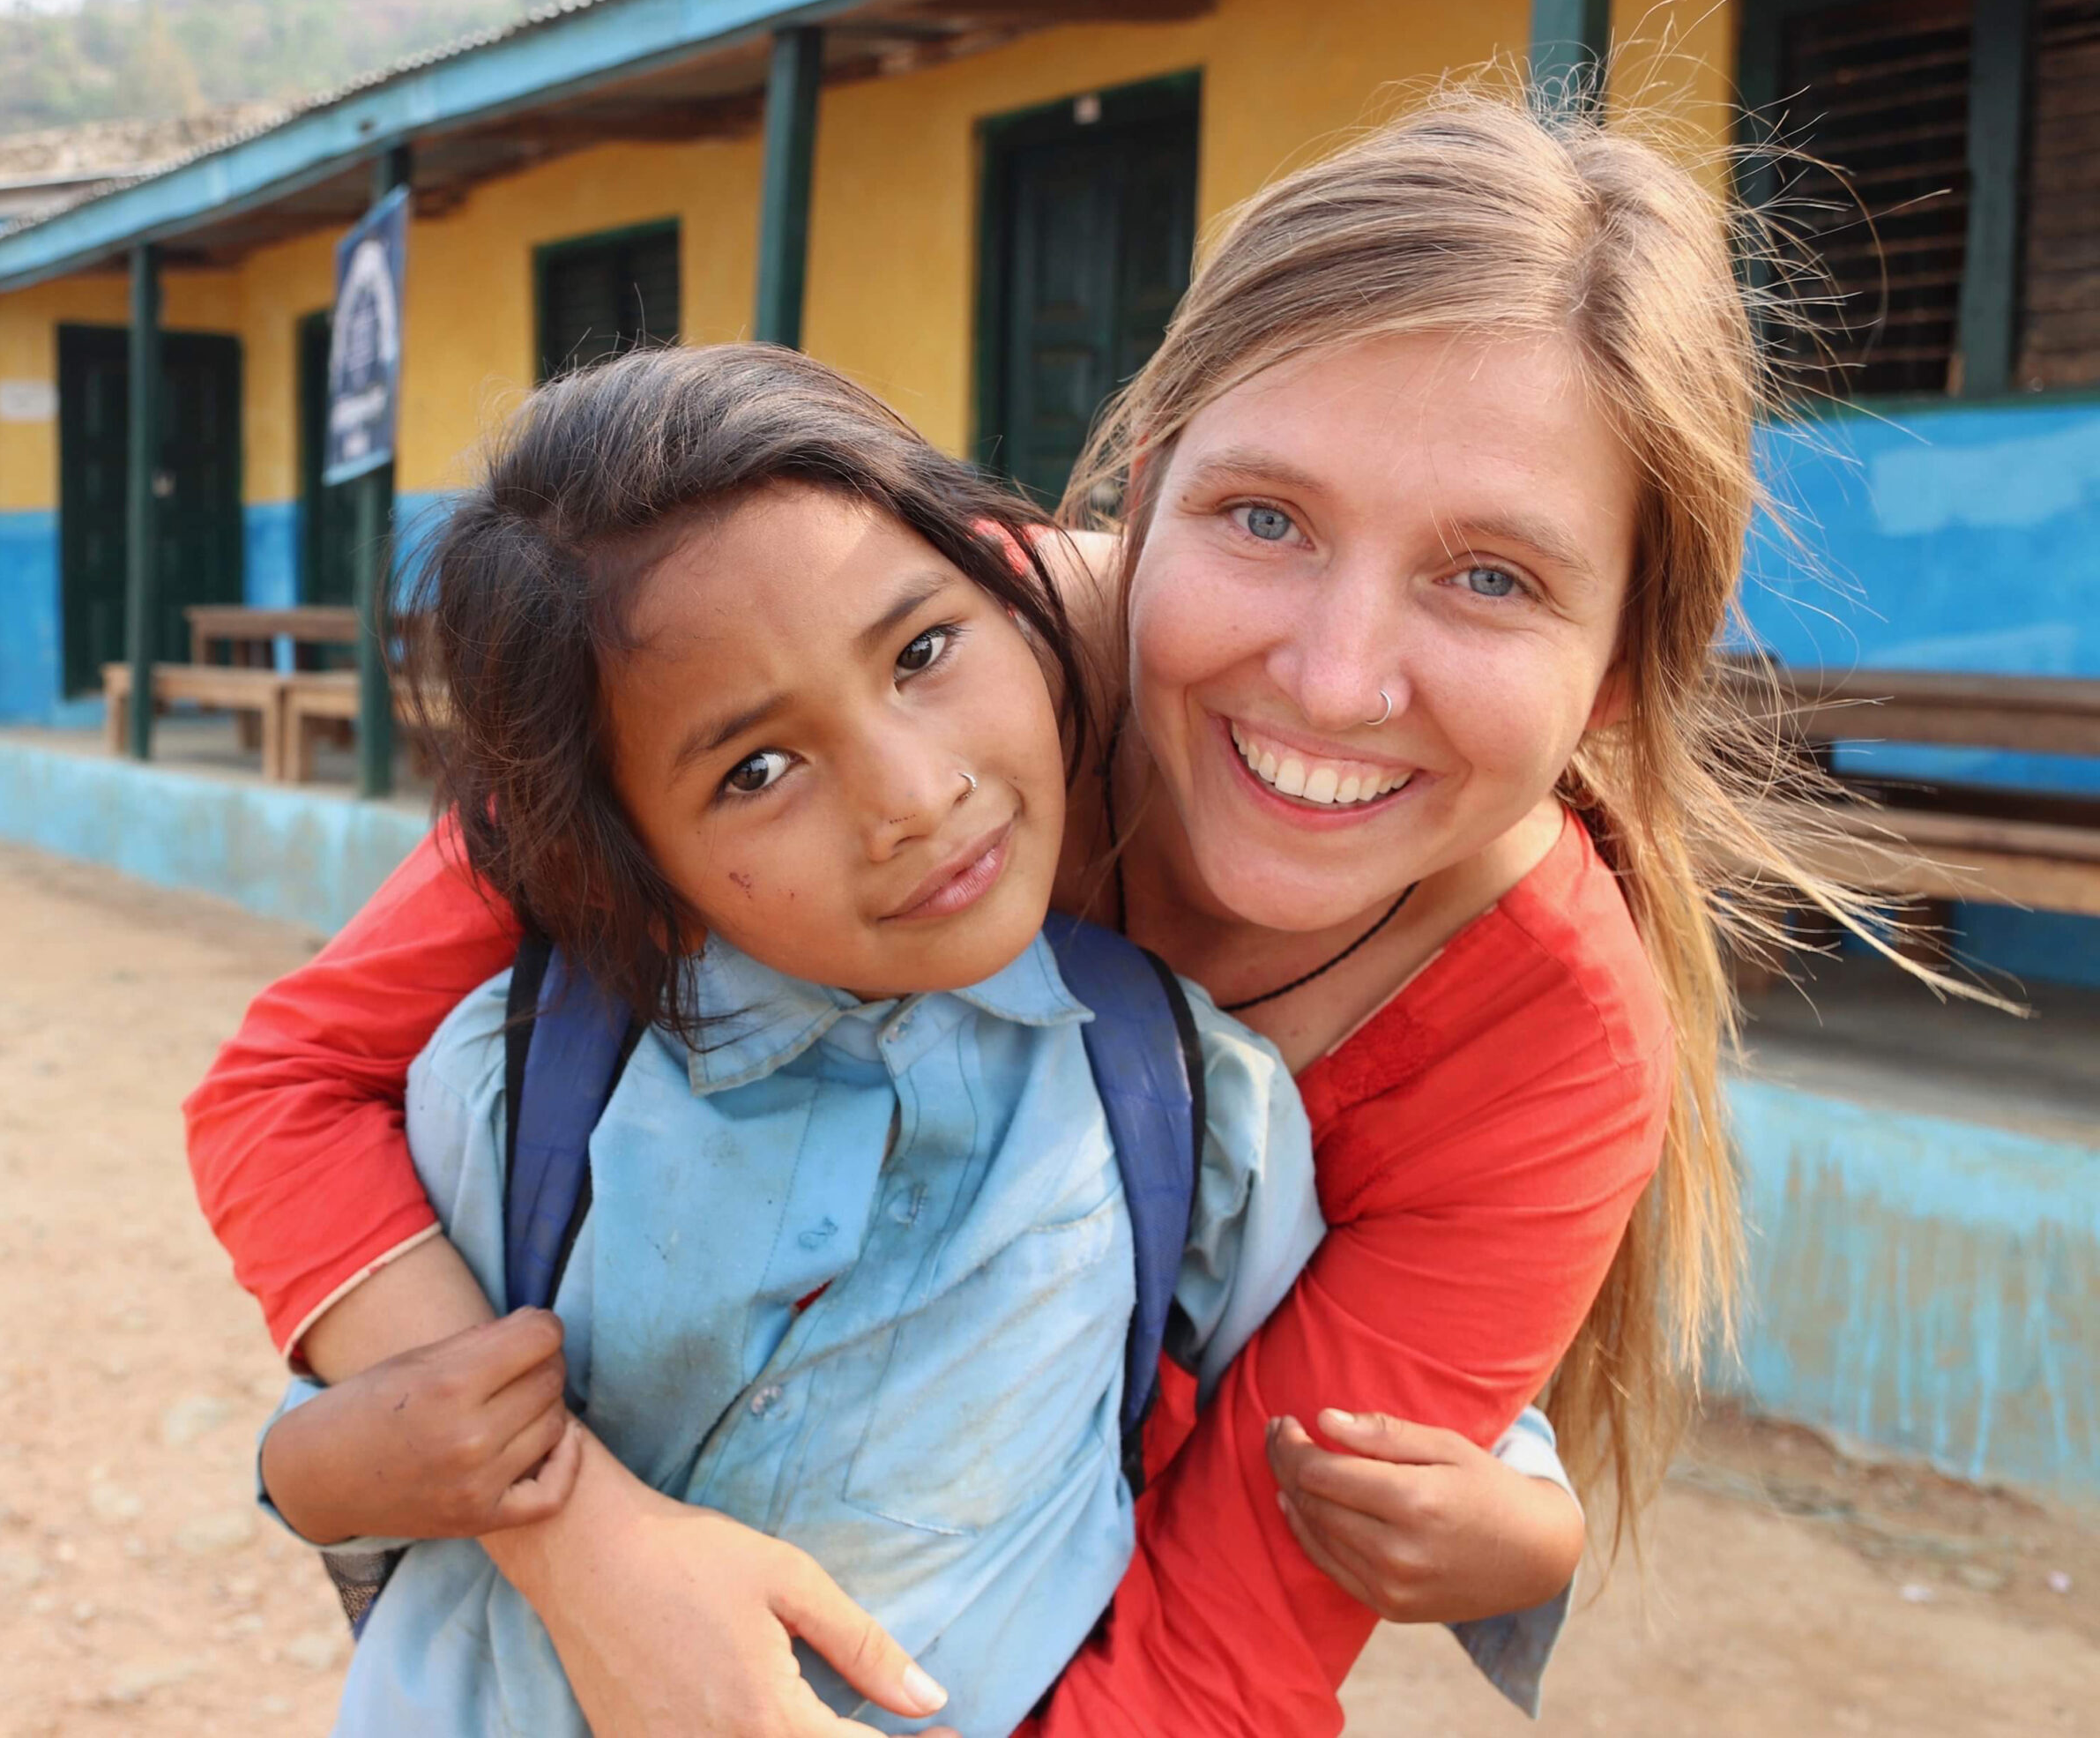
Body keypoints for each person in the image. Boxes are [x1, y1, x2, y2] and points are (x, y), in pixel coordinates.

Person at [193, 90, 1848, 1734]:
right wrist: (588, 1546)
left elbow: (1219, 1657)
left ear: (1626, 669)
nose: (1337, 679)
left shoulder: (1544, 1044)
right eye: (1262, 518)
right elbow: (289, 1093)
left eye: (1493, 577)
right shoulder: (832, 637)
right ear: (1147, 477)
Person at [263, 344, 1568, 1738]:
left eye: (922, 653)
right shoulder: (519, 1081)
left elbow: (1372, 1426)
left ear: (1018, 600)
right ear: (622, 852)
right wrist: (349, 1464)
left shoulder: (1178, 1095)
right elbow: (337, 1450)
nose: (910, 794)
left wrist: (1531, 1534)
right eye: (757, 770)